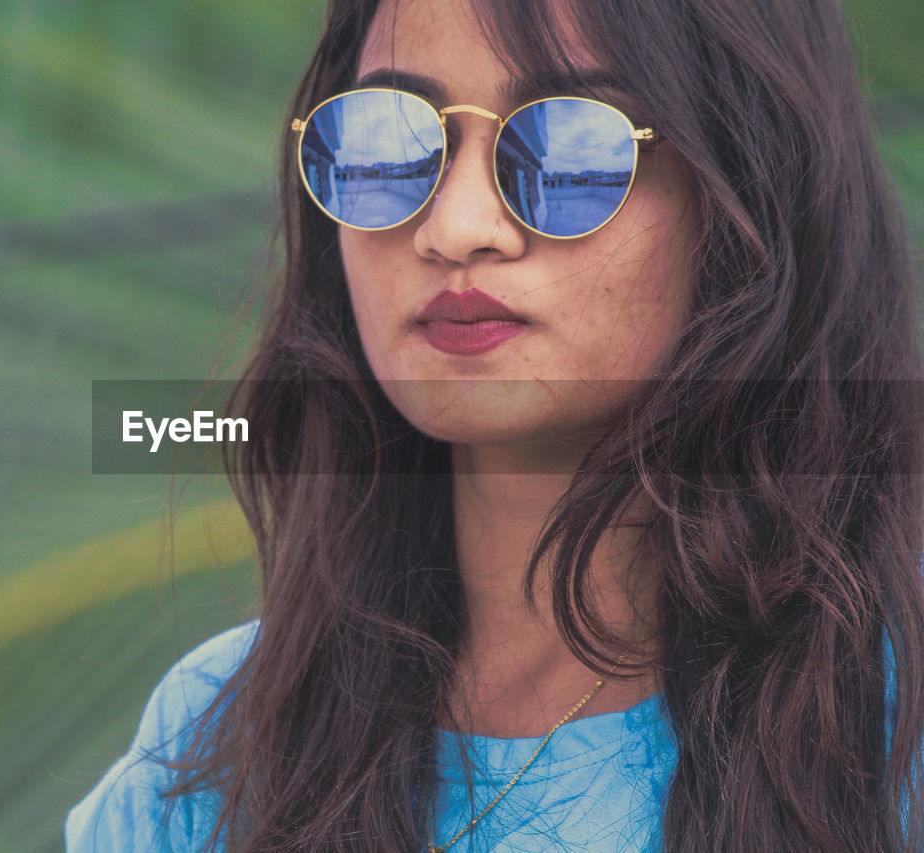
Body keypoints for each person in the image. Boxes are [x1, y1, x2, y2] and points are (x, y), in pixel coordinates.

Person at [66, 0, 924, 849]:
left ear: (749, 180)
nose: (456, 228)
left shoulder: (896, 715)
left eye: (570, 143)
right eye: (390, 140)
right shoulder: (213, 754)